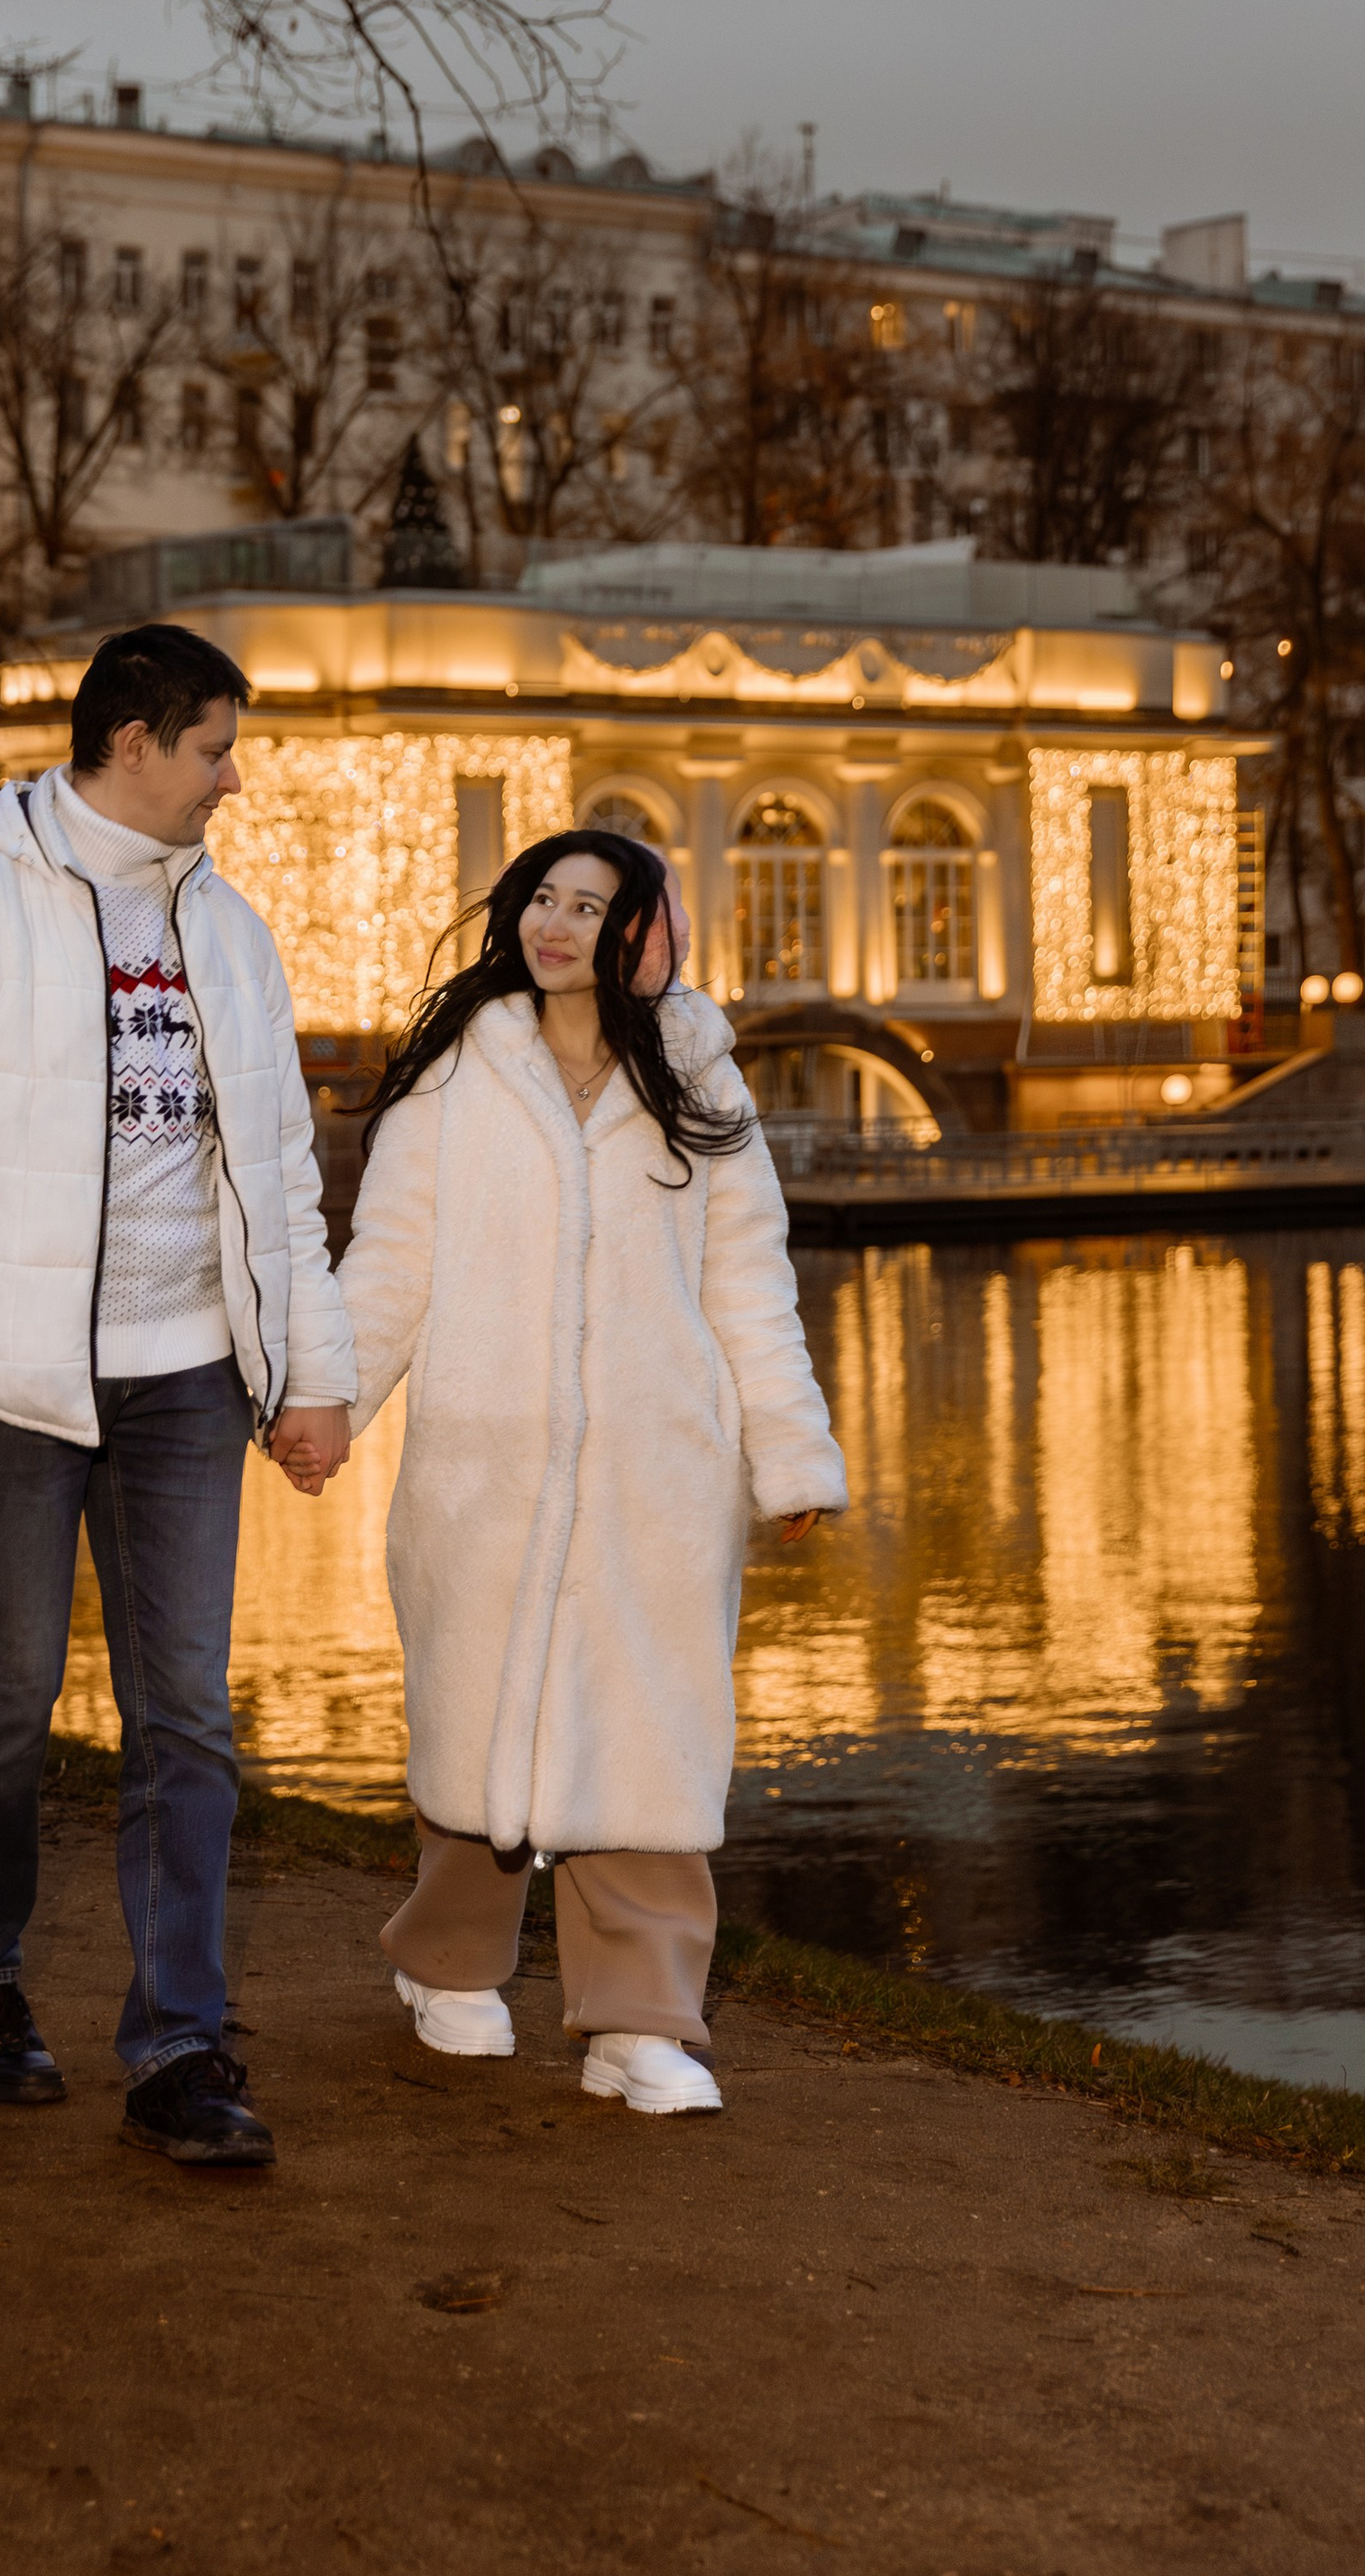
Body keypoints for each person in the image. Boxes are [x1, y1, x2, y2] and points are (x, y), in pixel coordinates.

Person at [0, 621, 355, 2170]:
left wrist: (307, 1374)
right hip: (14, 1394)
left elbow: (278, 1175)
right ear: (131, 737)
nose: (233, 775)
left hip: (191, 1384)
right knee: (0, 1712)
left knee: (188, 1717)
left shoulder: (235, 929)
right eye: (215, 745)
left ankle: (181, 2044)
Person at [334, 827, 845, 2115]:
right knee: (477, 1723)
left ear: (643, 931)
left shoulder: (702, 1080)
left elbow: (748, 1282)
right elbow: (391, 1261)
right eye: (542, 901)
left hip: (657, 1475)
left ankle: (640, 2018)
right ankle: (448, 1966)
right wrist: (323, 1403)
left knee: (650, 1736)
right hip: (485, 1464)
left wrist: (788, 1451)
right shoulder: (457, 1075)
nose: (558, 925)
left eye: (591, 906)